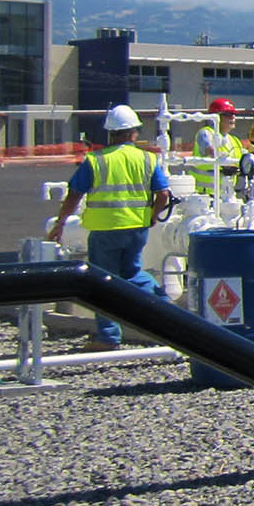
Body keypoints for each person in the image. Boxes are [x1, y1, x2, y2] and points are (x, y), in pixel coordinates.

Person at [49, 105, 172, 350]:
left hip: (105, 231)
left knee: (103, 283)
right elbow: (164, 195)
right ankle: (167, 309)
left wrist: (61, 222)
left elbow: (74, 195)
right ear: (134, 132)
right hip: (137, 228)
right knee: (133, 273)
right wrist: (152, 216)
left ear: (110, 133)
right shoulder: (147, 158)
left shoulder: (96, 161)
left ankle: (108, 338)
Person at [192, 98, 248, 198]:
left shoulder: (234, 140)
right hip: (205, 196)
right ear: (215, 117)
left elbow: (244, 160)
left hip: (227, 194)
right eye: (228, 114)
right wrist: (225, 164)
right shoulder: (206, 133)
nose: (233, 117)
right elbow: (209, 150)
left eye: (233, 114)